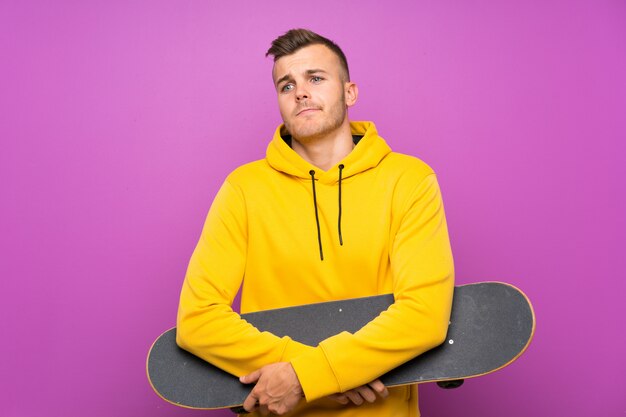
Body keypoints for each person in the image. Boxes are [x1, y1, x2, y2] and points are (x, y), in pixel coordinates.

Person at [176, 28, 454, 417]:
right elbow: (197, 318)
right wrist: (308, 372)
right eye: (286, 85)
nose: (300, 92)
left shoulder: (409, 181)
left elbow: (424, 314)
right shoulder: (244, 188)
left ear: (350, 92)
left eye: (316, 78)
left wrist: (310, 375)